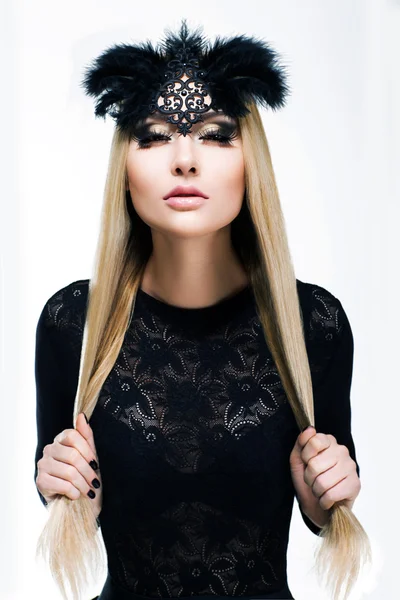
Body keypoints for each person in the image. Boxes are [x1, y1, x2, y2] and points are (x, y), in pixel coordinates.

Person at [34, 19, 369, 600]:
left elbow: (327, 509)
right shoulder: (74, 323)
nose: (185, 159)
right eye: (154, 135)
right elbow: (70, 508)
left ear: (251, 163)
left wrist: (328, 501)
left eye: (215, 135)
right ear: (125, 169)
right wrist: (61, 486)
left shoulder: (314, 324)